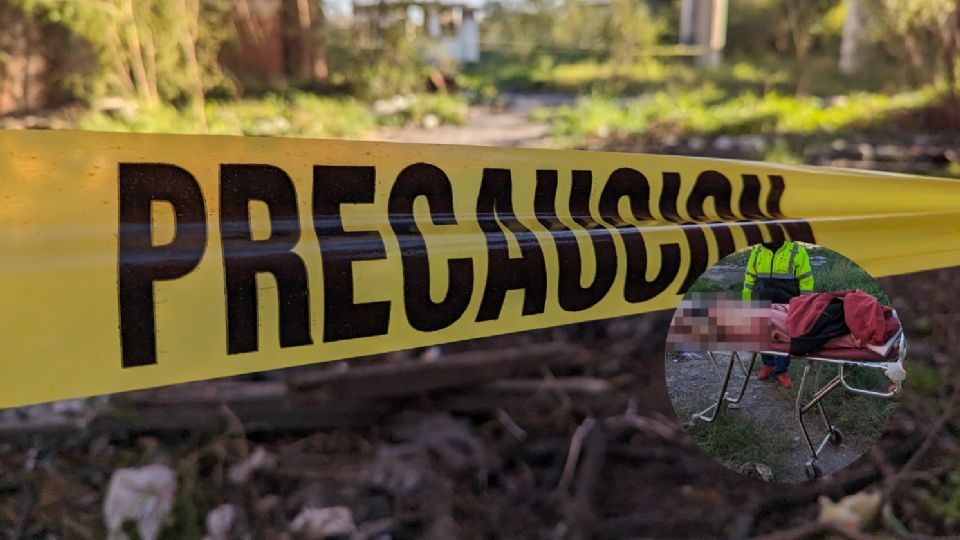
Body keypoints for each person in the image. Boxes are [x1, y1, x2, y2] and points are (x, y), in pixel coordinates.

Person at [742, 240, 814, 388]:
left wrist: (805, 305)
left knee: (785, 337)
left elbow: (806, 281)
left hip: (787, 303)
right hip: (761, 301)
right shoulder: (756, 251)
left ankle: (781, 370)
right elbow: (749, 279)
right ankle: (769, 364)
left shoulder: (797, 251)